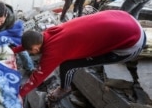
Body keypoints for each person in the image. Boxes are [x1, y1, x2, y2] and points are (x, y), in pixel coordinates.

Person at [13, 10, 146, 102]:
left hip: (132, 43)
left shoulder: (53, 52)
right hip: (125, 19)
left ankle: (65, 88)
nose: (31, 54)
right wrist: (14, 50)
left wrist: (19, 94)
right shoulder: (48, 33)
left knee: (68, 65)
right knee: (74, 54)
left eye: (31, 52)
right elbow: (30, 42)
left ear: (36, 48)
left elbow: (37, 78)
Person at [0, 1, 35, 74]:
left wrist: (8, 42)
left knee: (20, 47)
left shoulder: (11, 16)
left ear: (6, 15)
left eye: (1, 21)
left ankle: (30, 68)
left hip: (8, 32)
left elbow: (14, 32)